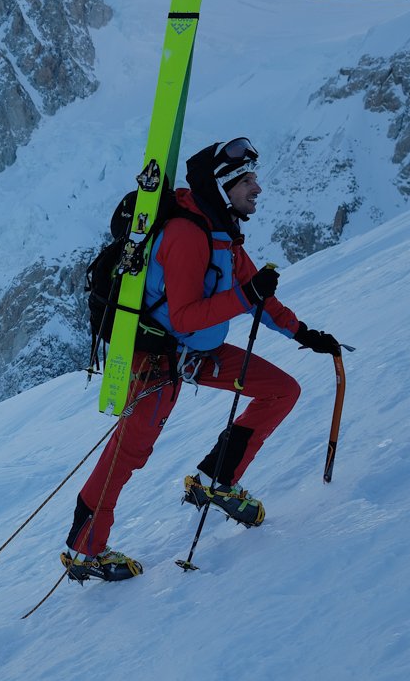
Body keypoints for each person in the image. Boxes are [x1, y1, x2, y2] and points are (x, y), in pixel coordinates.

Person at [63, 138, 342, 582]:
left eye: (254, 178)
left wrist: (302, 333)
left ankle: (217, 480)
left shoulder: (222, 233)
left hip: (194, 353)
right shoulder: (187, 236)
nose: (258, 188)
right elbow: (187, 315)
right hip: (156, 359)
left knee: (281, 390)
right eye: (247, 180)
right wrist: (245, 296)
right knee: (129, 451)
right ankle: (85, 550)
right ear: (224, 186)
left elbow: (256, 295)